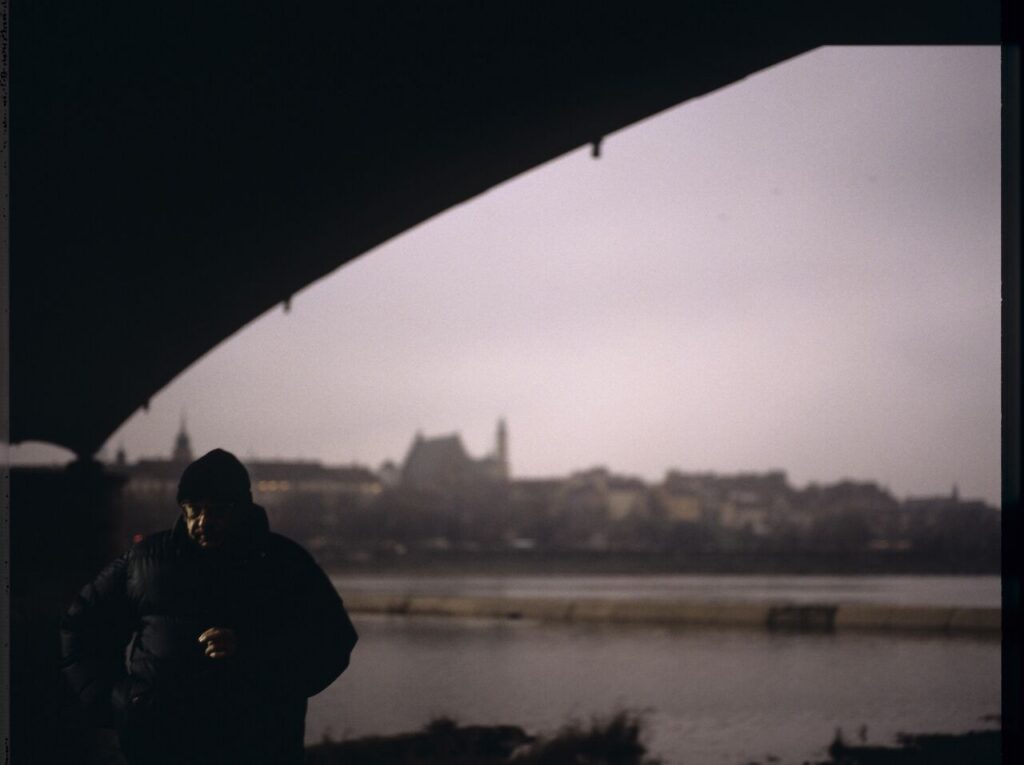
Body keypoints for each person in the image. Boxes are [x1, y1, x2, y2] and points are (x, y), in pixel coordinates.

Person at [60, 448, 359, 765]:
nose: (204, 521)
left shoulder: (286, 564)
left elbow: (332, 641)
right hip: (163, 747)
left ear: (242, 510)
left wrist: (252, 652)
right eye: (194, 510)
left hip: (259, 748)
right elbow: (83, 625)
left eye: (218, 511)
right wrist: (119, 703)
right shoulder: (144, 562)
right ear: (183, 509)